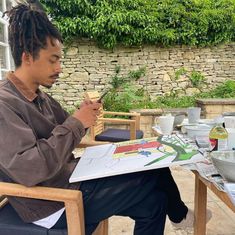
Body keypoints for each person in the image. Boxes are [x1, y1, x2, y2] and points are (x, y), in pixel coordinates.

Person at [0, 1, 195, 235]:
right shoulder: (4, 103)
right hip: (50, 204)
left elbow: (69, 128)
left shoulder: (40, 98)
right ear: (28, 57)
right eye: (53, 60)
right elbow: (30, 169)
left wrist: (84, 114)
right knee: (151, 175)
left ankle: (178, 214)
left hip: (71, 178)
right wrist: (77, 121)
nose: (59, 68)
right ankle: (181, 216)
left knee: (154, 201)